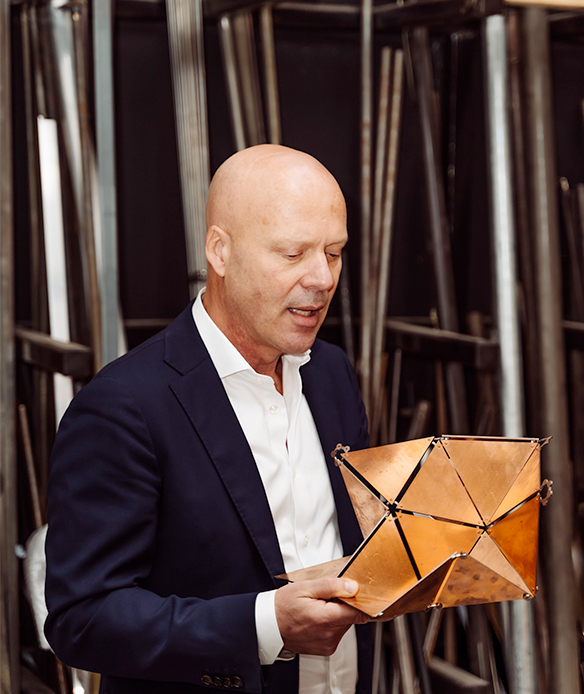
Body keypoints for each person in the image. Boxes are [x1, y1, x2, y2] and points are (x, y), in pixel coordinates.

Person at [45, 145, 374, 694]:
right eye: (293, 253)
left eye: (334, 252)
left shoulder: (331, 373)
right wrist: (264, 625)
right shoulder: (124, 406)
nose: (322, 278)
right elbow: (83, 619)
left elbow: (357, 538)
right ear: (220, 251)